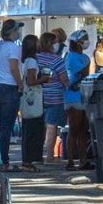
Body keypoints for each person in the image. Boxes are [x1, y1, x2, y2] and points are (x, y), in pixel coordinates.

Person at [0, 19, 24, 171]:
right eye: (17, 30)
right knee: (7, 127)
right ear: (12, 32)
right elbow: (14, 67)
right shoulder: (13, 48)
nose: (18, 33)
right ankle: (3, 159)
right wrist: (20, 83)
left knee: (0, 125)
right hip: (10, 86)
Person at [36, 31, 69, 163]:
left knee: (40, 126)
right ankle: (50, 156)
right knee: (52, 126)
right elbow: (64, 79)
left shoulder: (35, 58)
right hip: (55, 97)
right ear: (50, 44)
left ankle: (38, 154)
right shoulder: (57, 60)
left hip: (38, 96)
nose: (57, 45)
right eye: (55, 42)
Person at [63, 29, 93, 171]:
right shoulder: (71, 57)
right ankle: (70, 160)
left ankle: (83, 160)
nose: (87, 41)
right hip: (73, 97)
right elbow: (82, 73)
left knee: (83, 131)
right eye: (85, 38)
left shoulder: (85, 58)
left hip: (84, 96)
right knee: (74, 129)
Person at [20, 33, 48, 172]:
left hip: (26, 98)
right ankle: (29, 159)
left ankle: (28, 159)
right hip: (33, 98)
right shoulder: (31, 61)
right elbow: (31, 81)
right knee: (33, 129)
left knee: (28, 129)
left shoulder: (24, 60)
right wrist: (43, 79)